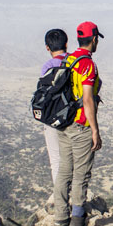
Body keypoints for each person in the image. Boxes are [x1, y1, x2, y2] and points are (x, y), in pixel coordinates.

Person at [53, 21, 103, 226]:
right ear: (94, 39)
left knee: (65, 169)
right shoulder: (87, 64)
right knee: (81, 174)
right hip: (81, 124)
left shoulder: (69, 59)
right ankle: (76, 224)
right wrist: (95, 130)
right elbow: (87, 99)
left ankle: (59, 218)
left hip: (63, 123)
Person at [41, 28, 69, 183]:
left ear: (47, 47)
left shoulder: (47, 67)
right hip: (73, 118)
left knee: (56, 160)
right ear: (66, 43)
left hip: (52, 118)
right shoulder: (75, 62)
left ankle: (61, 197)